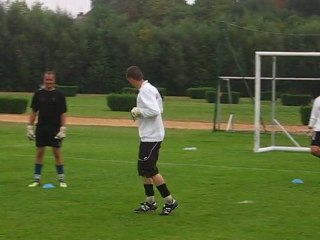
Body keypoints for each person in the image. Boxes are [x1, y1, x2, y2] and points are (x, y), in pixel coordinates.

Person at [126, 66, 179, 216]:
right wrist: (141, 113)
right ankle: (150, 202)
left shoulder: (145, 91)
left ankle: (170, 201)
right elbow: (159, 109)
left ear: (131, 79)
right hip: (148, 135)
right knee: (143, 169)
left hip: (152, 136)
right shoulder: (151, 88)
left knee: (150, 169)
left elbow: (155, 111)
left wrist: (139, 111)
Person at [26, 71, 68, 188]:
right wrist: (29, 127)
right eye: (46, 80)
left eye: (50, 80)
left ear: (54, 81)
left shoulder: (60, 95)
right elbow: (34, 111)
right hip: (41, 127)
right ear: (44, 80)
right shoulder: (38, 94)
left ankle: (61, 180)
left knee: (57, 153)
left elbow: (63, 113)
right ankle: (37, 180)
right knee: (39, 152)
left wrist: (63, 128)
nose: (48, 82)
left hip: (55, 128)